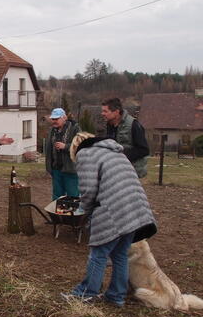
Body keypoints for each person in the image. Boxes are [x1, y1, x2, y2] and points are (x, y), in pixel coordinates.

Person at [62, 132, 157, 307]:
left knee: (98, 254)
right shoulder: (115, 151)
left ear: (75, 148)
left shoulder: (86, 153)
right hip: (135, 206)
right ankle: (116, 296)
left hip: (115, 207)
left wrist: (87, 212)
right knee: (119, 253)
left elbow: (88, 189)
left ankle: (86, 293)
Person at [101, 98, 149, 178]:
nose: (102, 114)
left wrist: (121, 155)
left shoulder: (133, 125)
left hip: (131, 172)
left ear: (116, 112)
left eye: (105, 111)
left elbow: (144, 150)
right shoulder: (109, 125)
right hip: (115, 170)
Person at [44, 108, 81, 200]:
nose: (54, 121)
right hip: (56, 169)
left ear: (64, 118)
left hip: (71, 169)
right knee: (57, 196)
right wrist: (49, 167)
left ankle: (72, 214)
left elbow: (81, 145)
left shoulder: (74, 128)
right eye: (53, 119)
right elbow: (48, 149)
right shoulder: (52, 130)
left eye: (57, 119)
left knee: (73, 196)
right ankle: (57, 214)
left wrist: (66, 147)